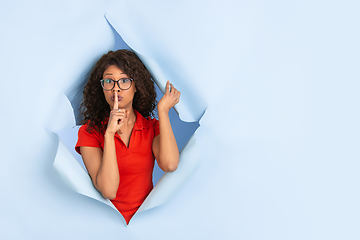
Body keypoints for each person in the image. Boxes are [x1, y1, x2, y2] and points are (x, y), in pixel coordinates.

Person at [75, 49, 180, 224]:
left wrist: (163, 111)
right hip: (105, 224)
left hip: (145, 223)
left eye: (124, 80)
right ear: (101, 88)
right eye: (109, 81)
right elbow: (108, 191)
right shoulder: (89, 131)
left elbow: (170, 164)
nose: (115, 88)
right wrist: (109, 134)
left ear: (136, 85)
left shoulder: (151, 127)